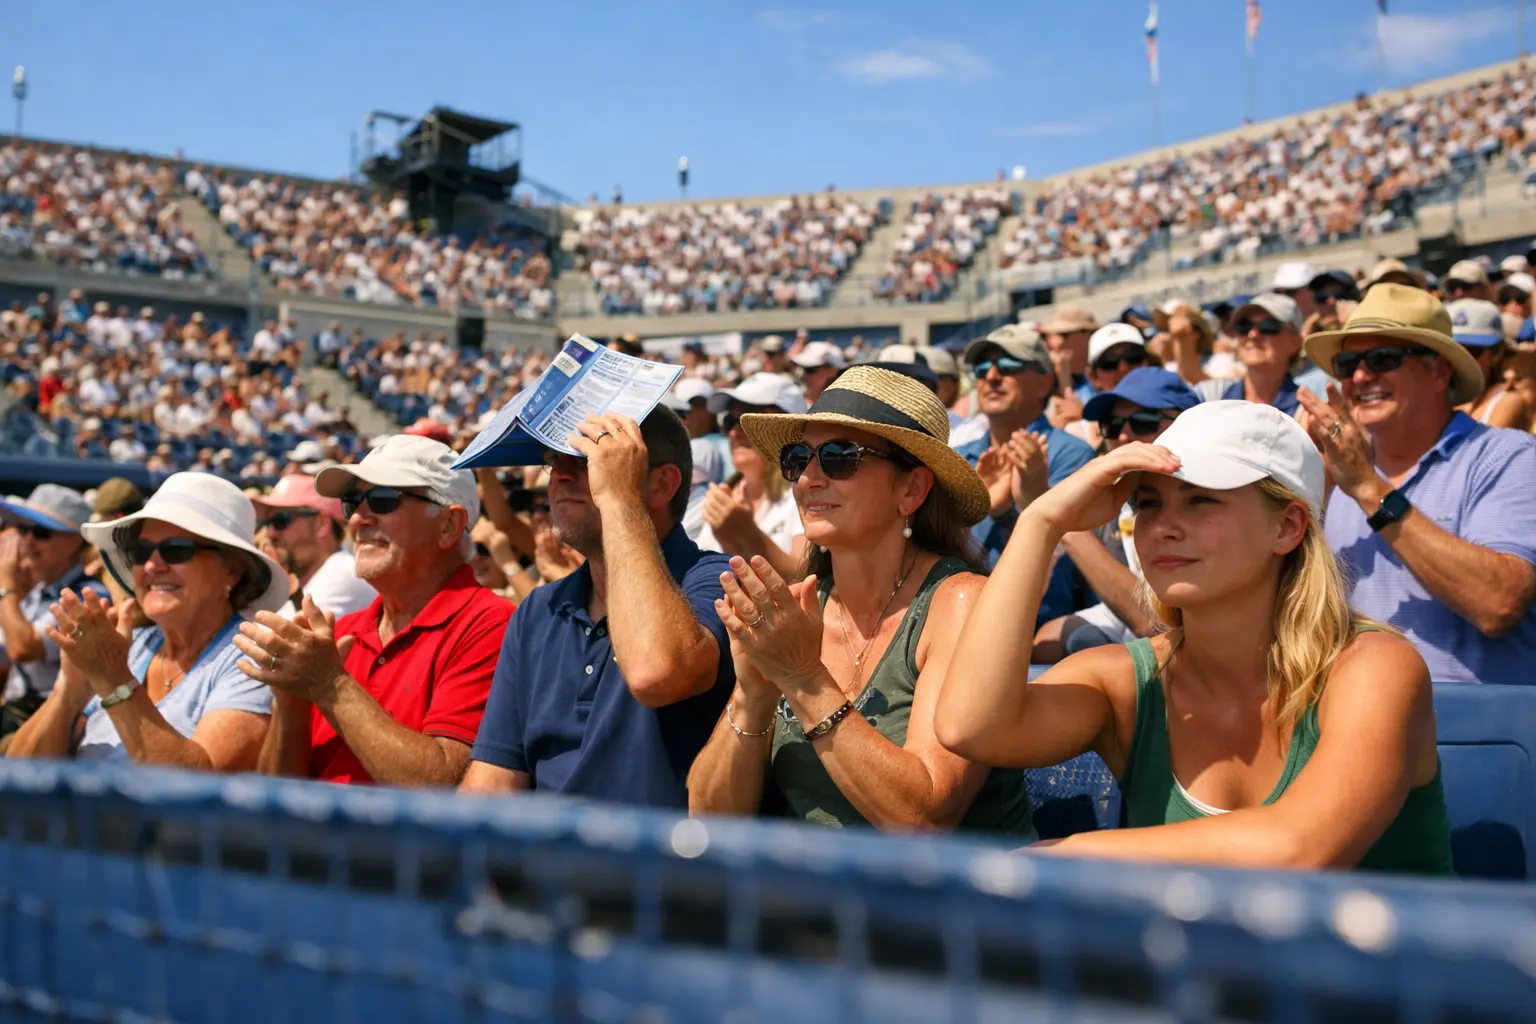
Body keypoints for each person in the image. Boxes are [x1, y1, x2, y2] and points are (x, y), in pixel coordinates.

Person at [935, 401, 1454, 874]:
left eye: (1201, 501)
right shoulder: (1126, 679)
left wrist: (1071, 852)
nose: (1163, 526)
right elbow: (970, 728)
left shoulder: (1375, 667)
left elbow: (1296, 848)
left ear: (1288, 527)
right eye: (1147, 503)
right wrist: (1042, 521)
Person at [688, 367, 1032, 835]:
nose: (808, 478)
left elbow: (924, 818)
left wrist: (802, 678)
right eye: (796, 458)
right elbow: (707, 823)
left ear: (911, 489)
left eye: (838, 457)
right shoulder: (799, 610)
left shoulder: (962, 602)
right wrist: (754, 693)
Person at [459, 407, 736, 807]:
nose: (560, 476)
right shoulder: (540, 609)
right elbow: (493, 779)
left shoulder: (718, 580)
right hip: (540, 864)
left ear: (661, 485)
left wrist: (620, 500)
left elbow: (656, 674)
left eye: (591, 460)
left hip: (660, 865)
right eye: (554, 460)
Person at [1298, 284, 1536, 687]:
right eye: (1346, 363)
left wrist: (1369, 488)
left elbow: (1498, 603)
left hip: (1480, 739)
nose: (1359, 376)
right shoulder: (1334, 474)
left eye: (1383, 359)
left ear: (1439, 371)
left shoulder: (1508, 456)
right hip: (1359, 732)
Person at [248, 436, 512, 785]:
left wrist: (329, 685)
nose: (358, 518)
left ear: (449, 525)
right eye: (352, 501)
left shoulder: (493, 625)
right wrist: (291, 705)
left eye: (383, 500)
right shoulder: (341, 633)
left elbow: (441, 786)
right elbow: (273, 799)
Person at [8, 474, 283, 769]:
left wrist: (114, 680)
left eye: (177, 549)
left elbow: (199, 786)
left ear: (233, 569)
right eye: (140, 551)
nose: (152, 565)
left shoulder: (252, 659)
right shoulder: (132, 645)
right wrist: (70, 689)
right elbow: (21, 773)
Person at [1033, 368, 1199, 661]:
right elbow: (1028, 595)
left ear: (1189, 425)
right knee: (1049, 639)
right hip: (1135, 632)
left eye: (1143, 422)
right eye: (1111, 424)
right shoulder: (1112, 494)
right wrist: (1033, 512)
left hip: (1203, 650)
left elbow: (1160, 623)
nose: (1124, 436)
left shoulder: (1207, 498)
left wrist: (1063, 523)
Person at [953, 324, 1095, 622]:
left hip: (1036, 632)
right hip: (956, 619)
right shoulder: (959, 456)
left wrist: (1006, 513)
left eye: (1009, 366)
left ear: (1044, 384)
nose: (991, 376)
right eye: (981, 369)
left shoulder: (1071, 455)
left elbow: (1060, 554)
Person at [0, 485, 112, 740]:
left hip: (48, 723)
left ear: (74, 542)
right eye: (24, 530)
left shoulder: (89, 595)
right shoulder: (37, 590)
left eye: (40, 532)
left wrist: (6, 588)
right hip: (15, 715)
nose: (27, 542)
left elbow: (23, 648)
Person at [692, 373, 809, 576]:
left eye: (746, 423)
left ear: (786, 429)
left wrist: (748, 535)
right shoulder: (727, 493)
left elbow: (806, 578)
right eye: (729, 422)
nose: (732, 433)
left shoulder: (806, 492)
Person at [252, 473, 376, 619]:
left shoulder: (343, 574)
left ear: (322, 524)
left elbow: (275, 639)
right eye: (267, 523)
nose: (270, 533)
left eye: (281, 521)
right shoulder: (315, 577)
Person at [1179, 294, 1310, 413]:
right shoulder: (1211, 396)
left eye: (1268, 326)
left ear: (1295, 342)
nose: (1252, 334)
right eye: (1244, 326)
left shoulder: (1305, 410)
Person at [1446, 298, 1532, 430]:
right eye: (1450, 350)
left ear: (1496, 353)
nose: (1458, 359)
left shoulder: (1507, 401)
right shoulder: (1435, 396)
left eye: (1470, 351)